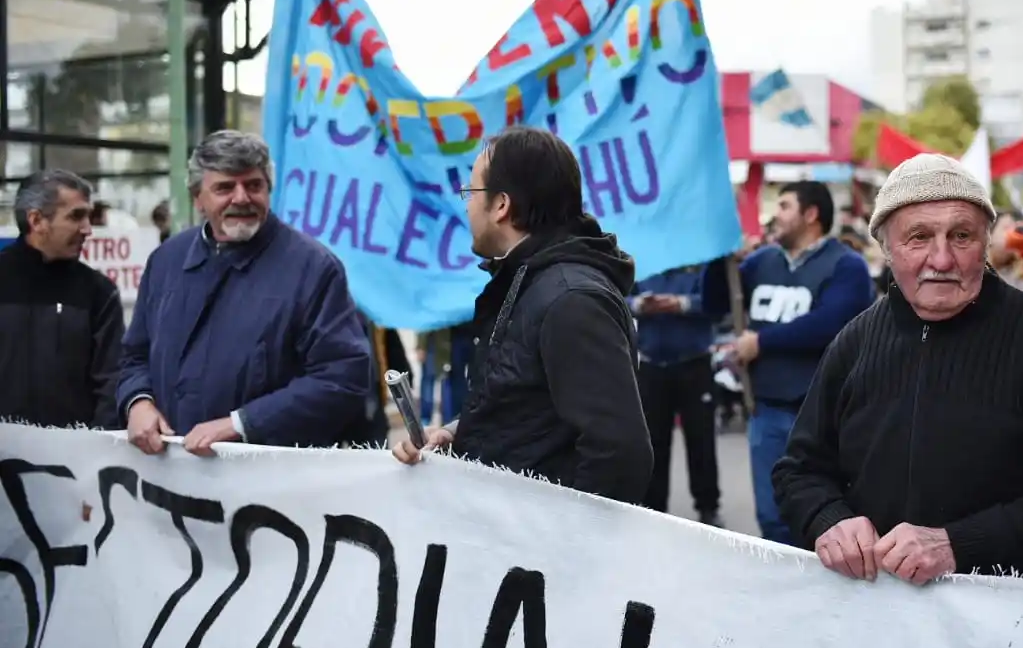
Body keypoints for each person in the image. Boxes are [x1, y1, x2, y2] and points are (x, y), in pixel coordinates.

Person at [773, 154, 1023, 585]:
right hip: (877, 617)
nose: (941, 259)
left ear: (986, 244)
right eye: (918, 237)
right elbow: (799, 469)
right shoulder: (855, 341)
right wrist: (827, 517)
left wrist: (959, 544)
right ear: (886, 250)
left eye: (961, 236)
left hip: (1013, 623)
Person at [391, 126, 653, 504]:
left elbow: (620, 454)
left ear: (501, 205)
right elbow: (529, 410)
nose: (466, 205)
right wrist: (458, 434)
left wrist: (556, 546)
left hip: (543, 555)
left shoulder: (571, 300)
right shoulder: (528, 282)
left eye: (471, 193)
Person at [117, 130, 372, 455]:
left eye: (253, 185)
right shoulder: (167, 261)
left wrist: (240, 424)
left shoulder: (313, 268)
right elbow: (134, 355)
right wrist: (138, 401)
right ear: (198, 198)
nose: (241, 198)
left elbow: (342, 378)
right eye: (224, 187)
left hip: (265, 485)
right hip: (171, 477)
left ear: (269, 190)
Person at [703, 181, 875, 545]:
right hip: (766, 412)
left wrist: (761, 342)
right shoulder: (761, 262)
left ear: (810, 215)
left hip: (822, 417)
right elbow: (714, 304)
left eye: (783, 206)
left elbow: (830, 323)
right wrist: (722, 262)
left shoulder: (847, 266)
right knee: (772, 519)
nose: (772, 216)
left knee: (822, 519)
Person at [0, 170, 124, 429]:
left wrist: (96, 448)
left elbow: (111, 380)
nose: (88, 229)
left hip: (71, 461)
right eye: (76, 216)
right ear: (36, 221)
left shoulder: (99, 293)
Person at [629, 264, 722, 526]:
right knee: (653, 440)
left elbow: (717, 304)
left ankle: (708, 506)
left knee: (701, 439)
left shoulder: (701, 265)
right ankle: (653, 508)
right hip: (651, 365)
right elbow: (618, 298)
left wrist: (682, 304)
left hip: (695, 363)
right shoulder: (643, 264)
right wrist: (639, 304)